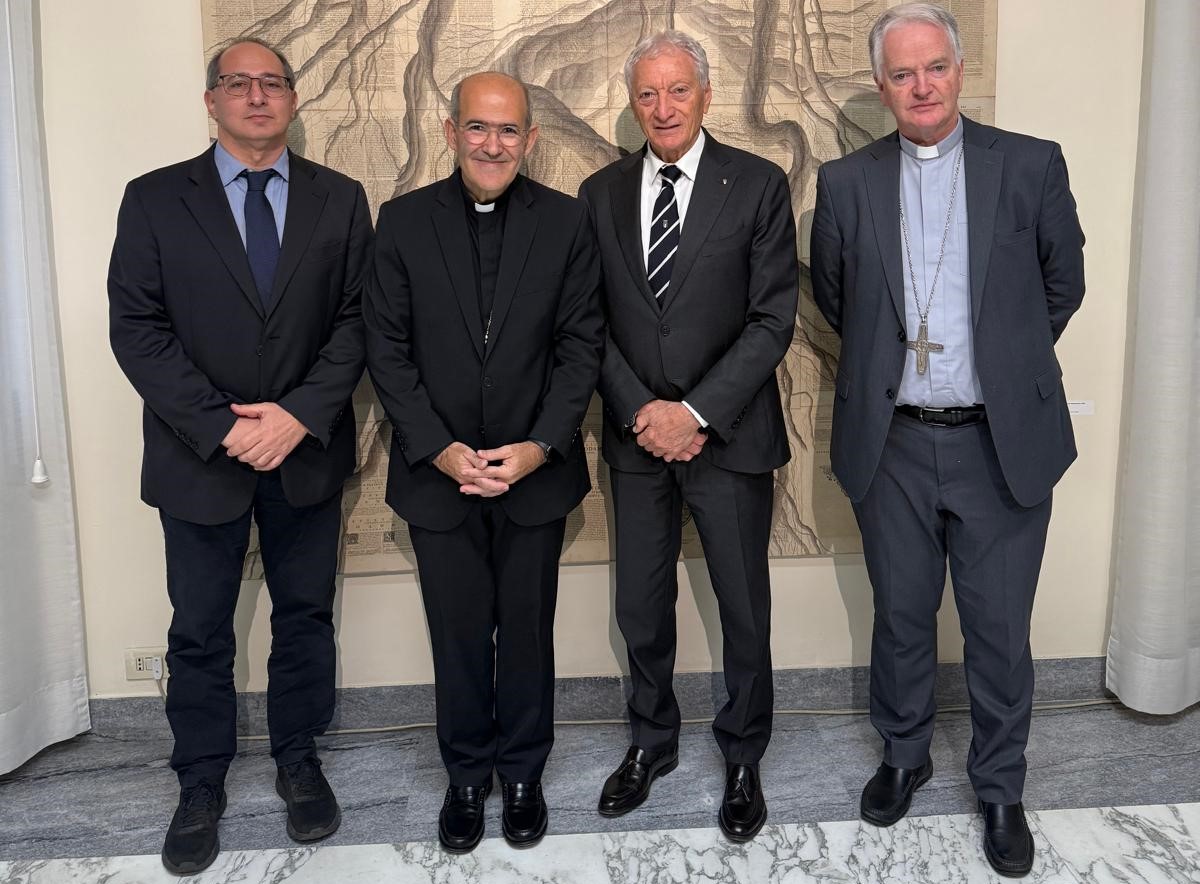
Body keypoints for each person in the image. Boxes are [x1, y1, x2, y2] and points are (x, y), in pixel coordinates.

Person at [809, 3, 1085, 877]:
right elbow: (835, 295)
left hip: (998, 444)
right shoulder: (847, 182)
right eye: (901, 73)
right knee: (900, 617)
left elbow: (1061, 284)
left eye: (934, 68)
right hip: (892, 443)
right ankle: (904, 754)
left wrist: (997, 369)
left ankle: (1000, 786)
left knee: (999, 629)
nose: (920, 86)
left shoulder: (1030, 165)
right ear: (882, 85)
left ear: (958, 71)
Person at [108, 38, 372, 876]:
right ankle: (200, 782)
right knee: (198, 631)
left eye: (273, 83)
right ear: (212, 99)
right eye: (239, 83)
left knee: (304, 619)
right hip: (199, 460)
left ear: (292, 100)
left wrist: (295, 416)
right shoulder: (153, 200)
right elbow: (137, 329)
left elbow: (359, 322)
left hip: (304, 453)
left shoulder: (341, 199)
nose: (257, 97)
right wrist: (224, 427)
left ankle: (299, 760)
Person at [365, 72, 603, 853]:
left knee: (529, 631)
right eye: (477, 128)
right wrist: (439, 449)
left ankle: (524, 774)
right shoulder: (399, 223)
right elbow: (387, 352)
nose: (492, 144)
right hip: (441, 478)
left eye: (508, 131)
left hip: (534, 477)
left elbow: (580, 349)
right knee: (458, 633)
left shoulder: (569, 224)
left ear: (530, 139)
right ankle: (467, 777)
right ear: (449, 131)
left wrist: (538, 447)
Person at [578, 30, 798, 842]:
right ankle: (651, 743)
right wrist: (645, 411)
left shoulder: (760, 184)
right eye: (647, 95)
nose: (662, 108)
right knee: (641, 604)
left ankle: (744, 754)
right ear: (632, 103)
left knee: (743, 606)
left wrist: (694, 412)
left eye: (677, 91)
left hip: (730, 437)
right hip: (637, 441)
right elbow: (587, 322)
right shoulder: (598, 193)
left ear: (706, 95)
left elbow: (773, 317)